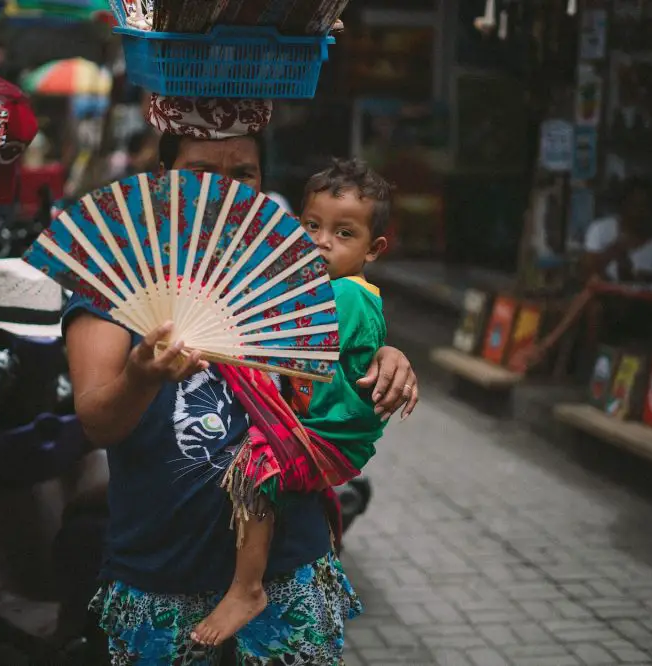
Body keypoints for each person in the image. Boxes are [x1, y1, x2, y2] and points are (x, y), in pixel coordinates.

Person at [65, 95, 418, 665]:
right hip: (161, 571)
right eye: (201, 172)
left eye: (242, 174)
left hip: (289, 563)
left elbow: (348, 333)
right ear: (165, 178)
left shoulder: (289, 269)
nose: (223, 189)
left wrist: (389, 354)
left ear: (262, 184)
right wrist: (139, 377)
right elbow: (98, 421)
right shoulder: (113, 275)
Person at [191, 158, 393, 647]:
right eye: (312, 226)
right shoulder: (318, 288)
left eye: (344, 234)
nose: (322, 242)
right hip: (311, 422)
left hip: (329, 429)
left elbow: (289, 347)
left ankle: (247, 588)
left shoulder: (347, 295)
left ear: (374, 249)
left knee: (256, 469)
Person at [513, 177, 652, 371]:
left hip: (632, 306)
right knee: (594, 304)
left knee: (594, 293)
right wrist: (612, 252)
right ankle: (585, 366)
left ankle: (547, 347)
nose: (638, 212)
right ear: (623, 205)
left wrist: (623, 266)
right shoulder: (603, 228)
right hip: (594, 297)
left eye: (645, 206)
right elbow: (585, 271)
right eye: (634, 204)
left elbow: (641, 288)